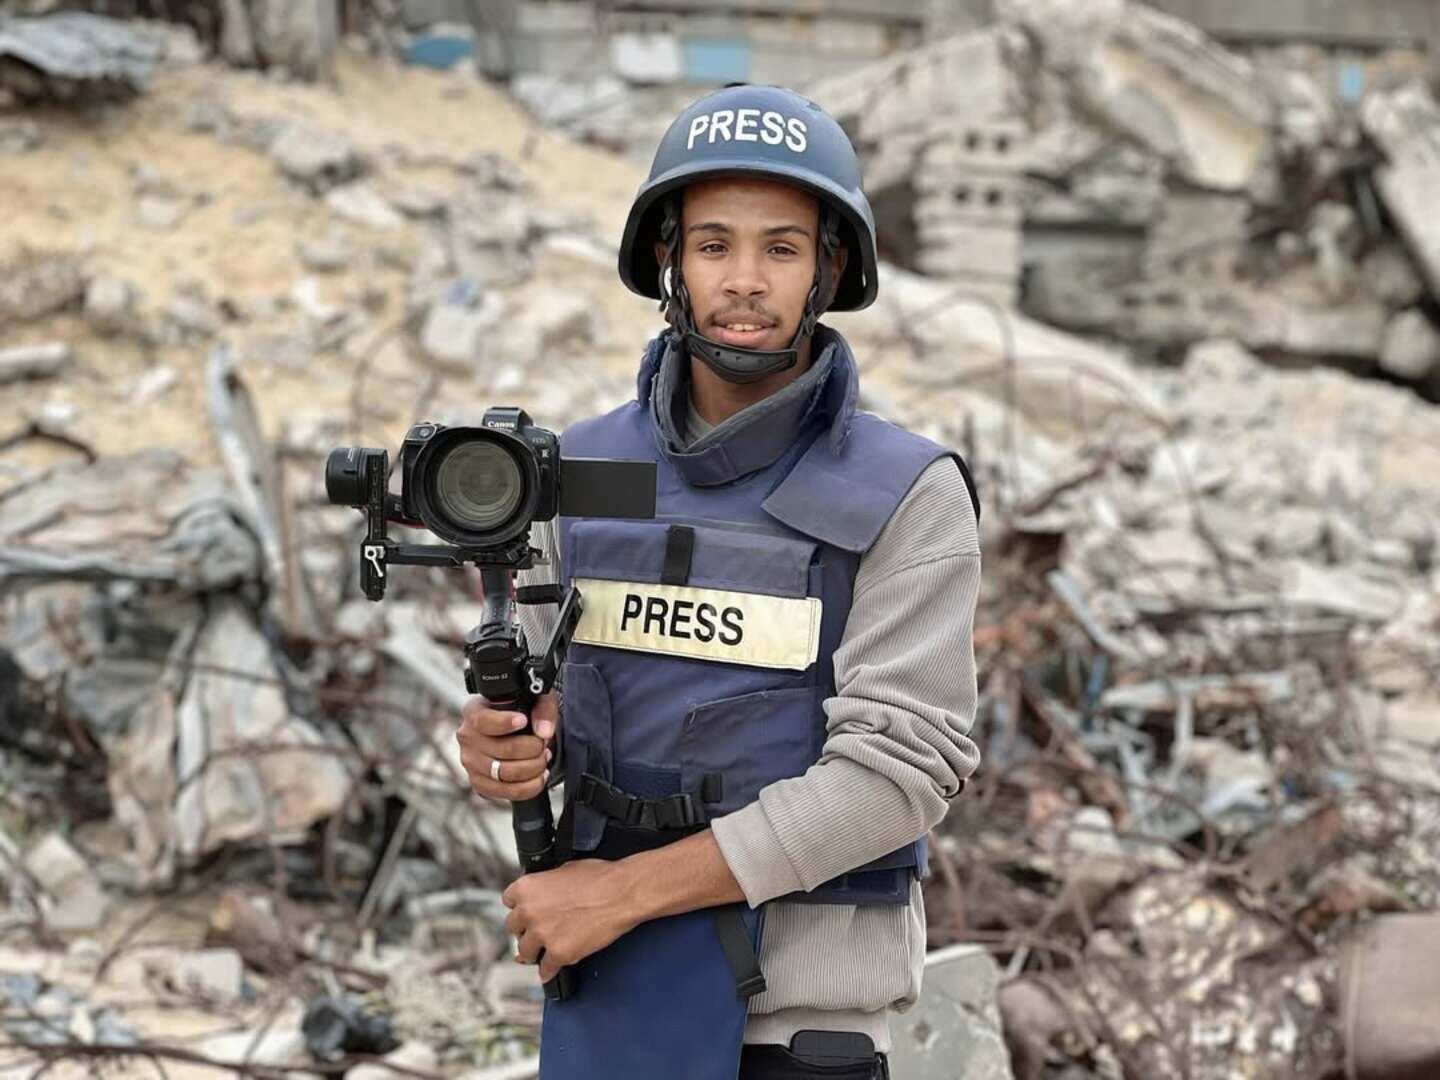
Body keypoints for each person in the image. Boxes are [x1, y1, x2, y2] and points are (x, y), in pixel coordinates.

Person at [455, 84, 982, 1080]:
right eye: (714, 246)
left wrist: (624, 892)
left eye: (781, 248)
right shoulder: (576, 470)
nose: (745, 280)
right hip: (612, 1009)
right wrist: (510, 750)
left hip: (800, 1025)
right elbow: (563, 703)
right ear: (671, 261)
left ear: (830, 268)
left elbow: (896, 779)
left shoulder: (907, 491)